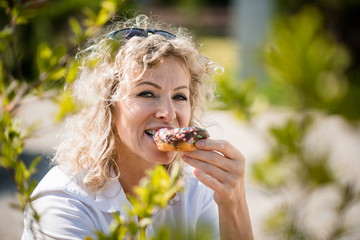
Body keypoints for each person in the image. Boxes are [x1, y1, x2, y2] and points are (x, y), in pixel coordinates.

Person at [22, 15, 254, 240]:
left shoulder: (195, 187)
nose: (169, 112)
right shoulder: (63, 201)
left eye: (180, 96)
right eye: (147, 93)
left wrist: (233, 203)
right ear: (107, 107)